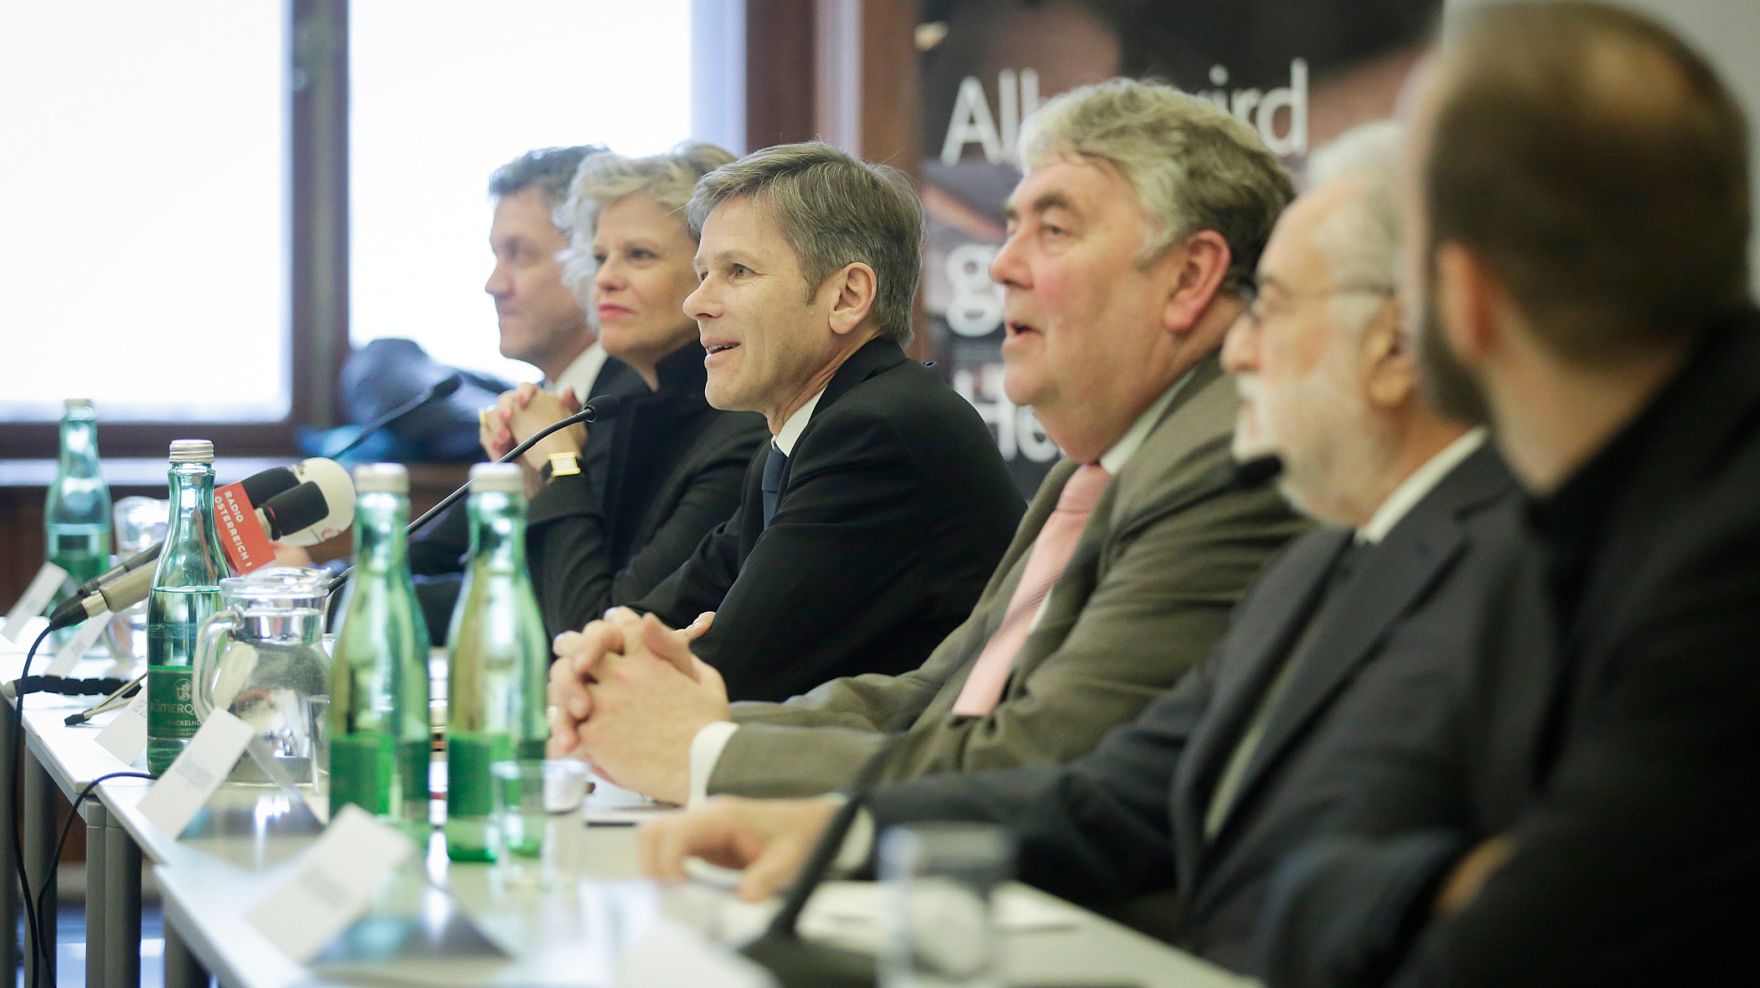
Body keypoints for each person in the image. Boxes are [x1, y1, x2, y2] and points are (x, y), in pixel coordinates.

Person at [631, 121, 1527, 977]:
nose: (1244, 351)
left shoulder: (1500, 550)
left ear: (1401, 341)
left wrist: (722, 755)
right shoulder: (1294, 546)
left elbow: (1070, 773)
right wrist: (841, 828)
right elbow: (1111, 787)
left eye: (1051, 229)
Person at [547, 79, 1307, 808]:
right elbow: (933, 695)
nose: (1001, 263)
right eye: (1009, 228)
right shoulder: (1086, 473)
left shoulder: (1224, 463)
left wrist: (697, 745)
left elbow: (1036, 756)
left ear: (1190, 274)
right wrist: (679, 718)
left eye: (1053, 229)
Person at [1252, 5, 1760, 985]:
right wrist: (1454, 878)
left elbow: (1496, 963)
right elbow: (1304, 885)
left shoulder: (1730, 567)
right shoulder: (1534, 526)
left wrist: (1444, 885)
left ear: (1464, 300)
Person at [552, 141, 1026, 705]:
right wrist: (612, 649)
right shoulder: (804, 433)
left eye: (737, 272)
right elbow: (645, 620)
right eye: (703, 273)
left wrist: (637, 664)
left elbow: (720, 679)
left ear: (848, 297)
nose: (696, 303)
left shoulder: (877, 437)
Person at [479, 144, 768, 638]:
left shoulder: (740, 428)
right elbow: (539, 616)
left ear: (715, 274)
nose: (605, 279)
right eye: (598, 257)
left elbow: (591, 628)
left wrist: (560, 464)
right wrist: (535, 484)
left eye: (638, 255)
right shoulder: (635, 409)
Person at [405, 145, 646, 636]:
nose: (494, 284)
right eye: (496, 254)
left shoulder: (637, 403)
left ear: (591, 261)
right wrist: (316, 583)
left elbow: (561, 606)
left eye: (519, 254)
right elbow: (430, 552)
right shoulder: (538, 401)